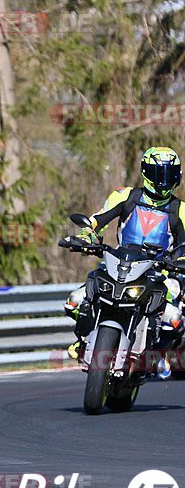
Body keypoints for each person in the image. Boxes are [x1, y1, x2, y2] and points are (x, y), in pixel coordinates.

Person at [63, 147, 184, 373]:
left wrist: (180, 260)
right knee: (73, 301)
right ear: (147, 172)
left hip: (158, 272)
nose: (164, 180)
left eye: (170, 174)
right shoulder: (126, 196)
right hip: (121, 263)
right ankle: (83, 340)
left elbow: (183, 246)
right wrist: (85, 237)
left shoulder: (181, 210)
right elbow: (96, 221)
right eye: (160, 174)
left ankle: (157, 356)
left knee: (176, 317)